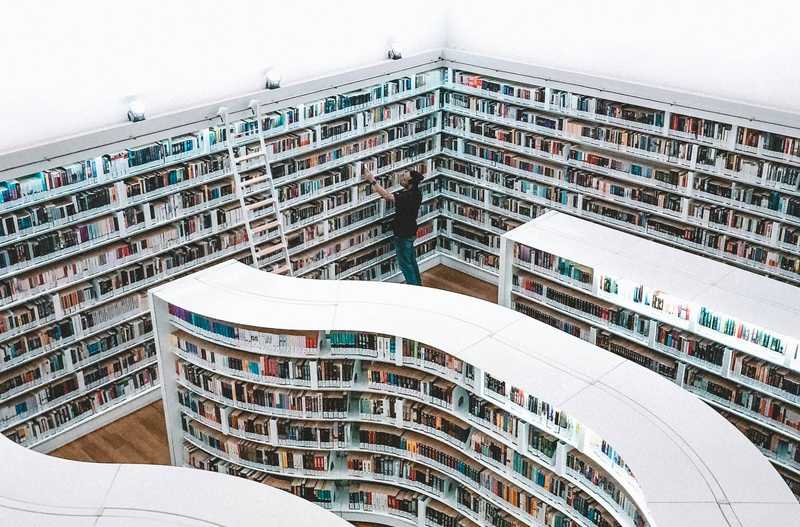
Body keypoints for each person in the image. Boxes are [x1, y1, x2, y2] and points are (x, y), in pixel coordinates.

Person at [363, 167, 424, 285]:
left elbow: (387, 196)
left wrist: (373, 181)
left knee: (405, 264)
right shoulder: (417, 193)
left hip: (403, 234)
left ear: (409, 183)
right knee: (411, 260)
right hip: (411, 231)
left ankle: (414, 288)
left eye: (404, 179)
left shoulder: (407, 196)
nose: (401, 180)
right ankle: (418, 284)